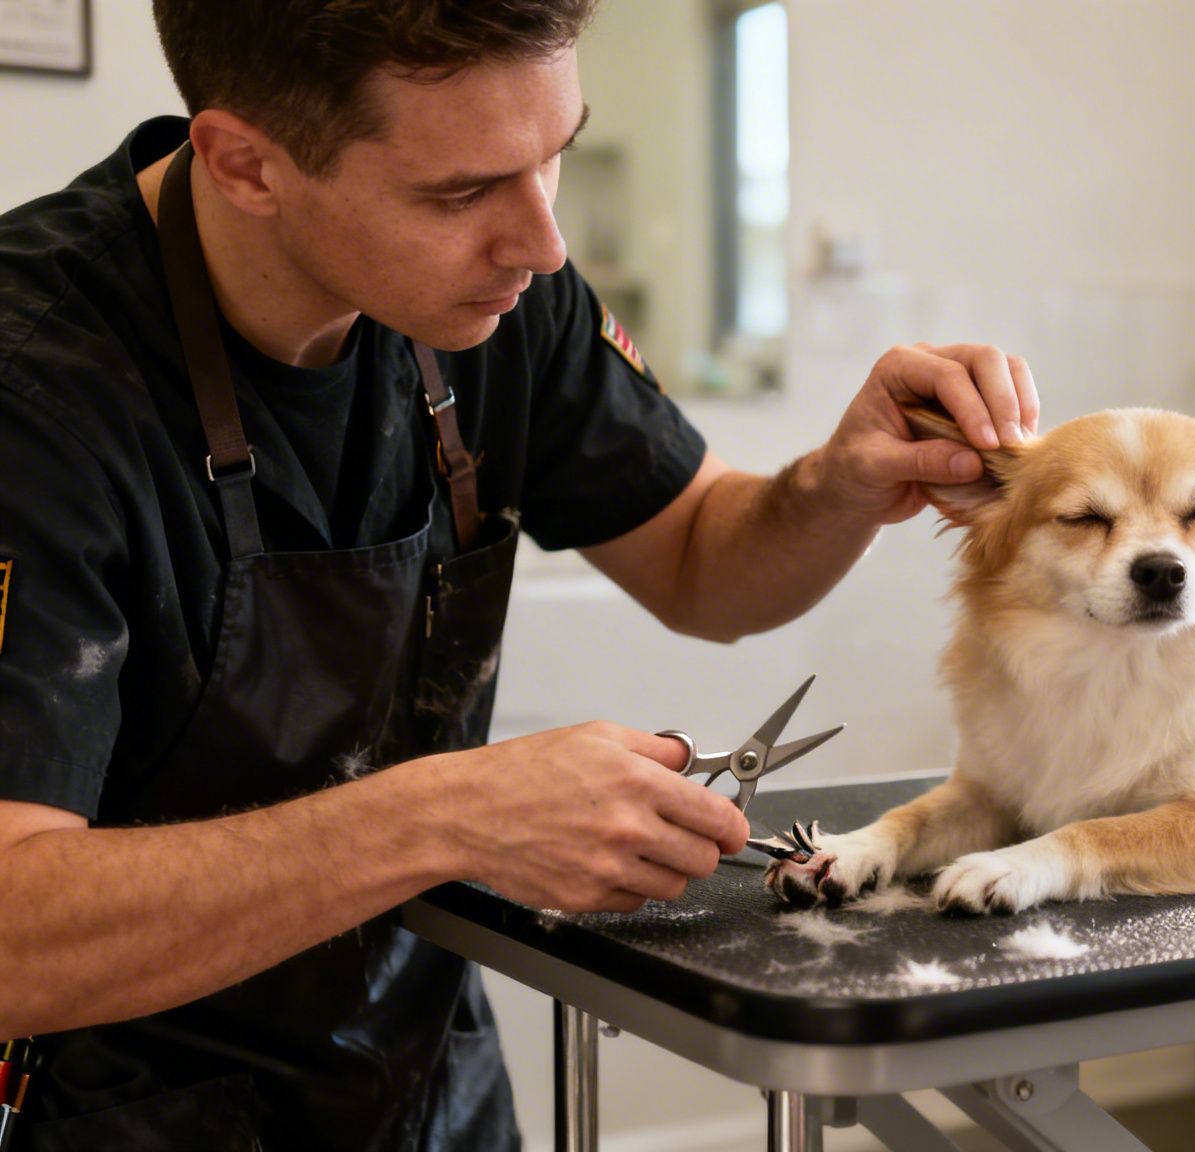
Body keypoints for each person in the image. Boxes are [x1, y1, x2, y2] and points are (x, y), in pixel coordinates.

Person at [0, 2, 1038, 1147]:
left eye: (555, 156)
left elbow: (702, 560)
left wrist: (837, 483)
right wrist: (446, 815)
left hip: (424, 1084)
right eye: (459, 192)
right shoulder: (33, 385)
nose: (541, 242)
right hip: (121, 1114)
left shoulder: (497, 298)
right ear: (247, 164)